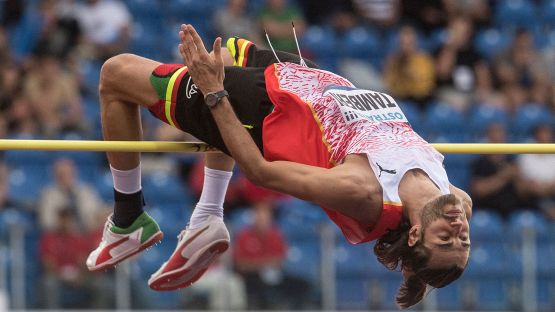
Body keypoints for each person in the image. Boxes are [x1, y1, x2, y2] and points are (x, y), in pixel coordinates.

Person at [87, 24, 472, 308]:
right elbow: (449, 230)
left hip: (266, 109)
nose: (458, 229)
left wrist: (214, 92)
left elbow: (260, 172)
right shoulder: (457, 199)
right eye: (463, 239)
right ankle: (207, 216)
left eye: (445, 239)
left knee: (116, 73)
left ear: (415, 233)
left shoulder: (365, 192)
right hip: (304, 79)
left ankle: (128, 218)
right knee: (223, 54)